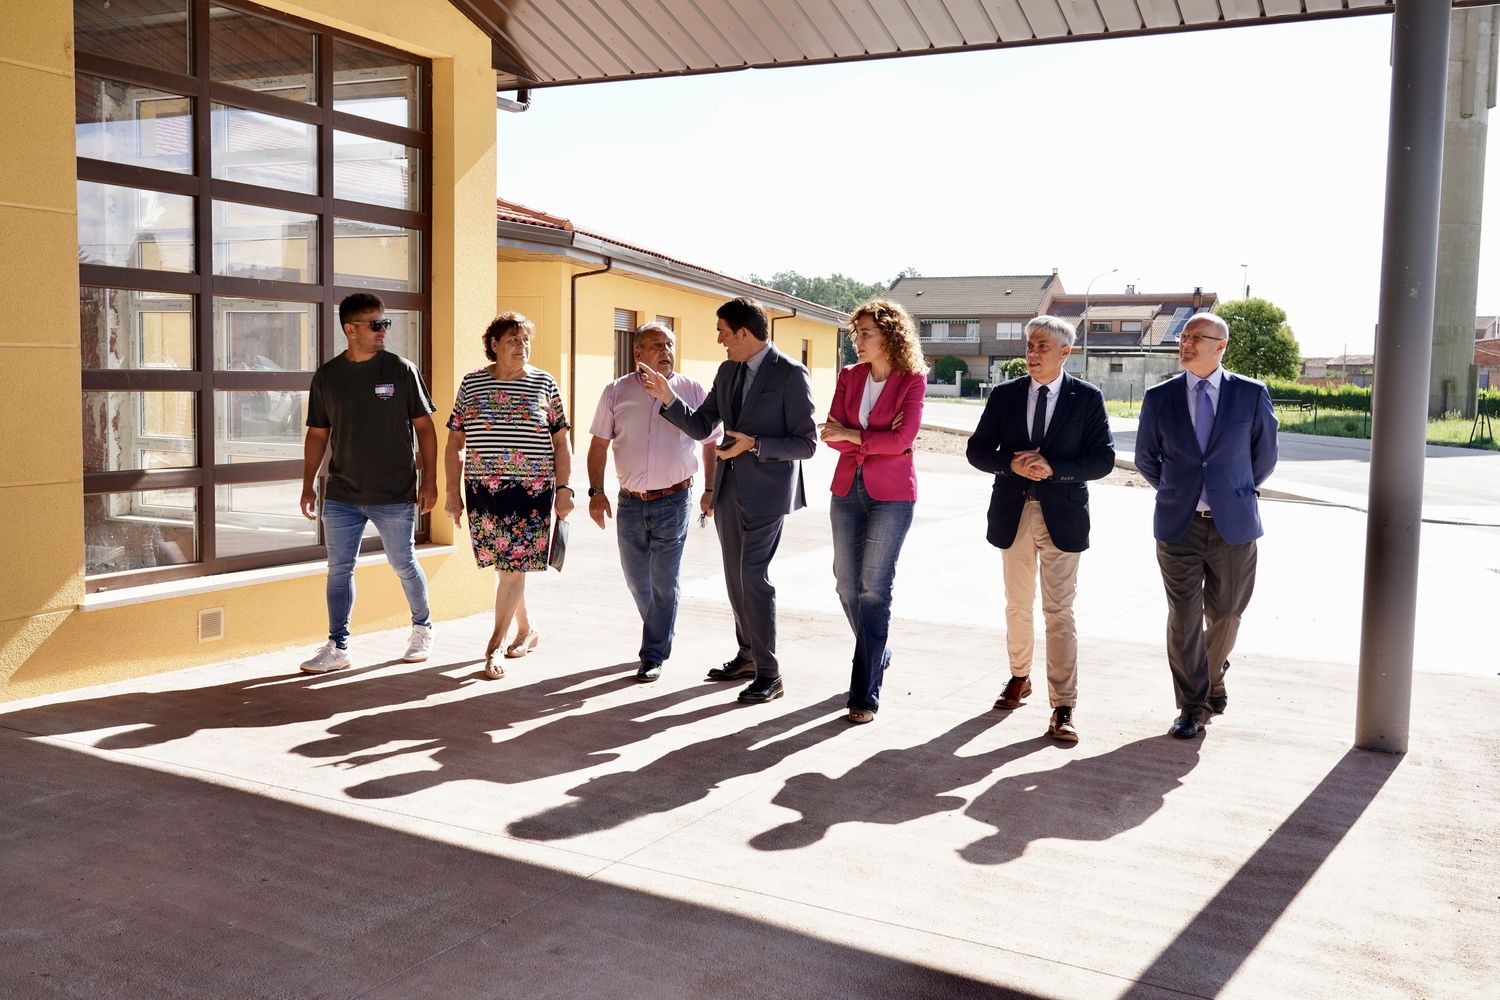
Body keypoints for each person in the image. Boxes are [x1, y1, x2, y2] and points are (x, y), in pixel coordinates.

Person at [639, 297, 817, 704]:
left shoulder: (791, 373)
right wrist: (668, 398)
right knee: (735, 578)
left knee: (754, 577)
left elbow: (806, 444)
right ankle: (749, 655)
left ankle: (770, 674)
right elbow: (704, 424)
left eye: (722, 332)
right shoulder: (727, 370)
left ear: (743, 332)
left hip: (769, 493)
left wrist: (755, 446)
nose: (718, 340)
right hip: (729, 490)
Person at [965, 315, 1114, 742]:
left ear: (1066, 352)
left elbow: (1102, 460)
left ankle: (1063, 705)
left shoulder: (1087, 398)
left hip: (1063, 516)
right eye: (1029, 346)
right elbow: (977, 450)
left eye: (1042, 346)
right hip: (1014, 512)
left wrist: (1056, 469)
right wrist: (1007, 462)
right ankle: (1018, 676)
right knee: (1016, 603)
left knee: (1059, 610)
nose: (1032, 353)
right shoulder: (1005, 395)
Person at [1135, 311, 1278, 739]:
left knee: (1228, 614)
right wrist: (1181, 490)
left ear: (1221, 346)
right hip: (1179, 526)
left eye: (1197, 337)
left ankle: (1213, 673)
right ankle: (1192, 705)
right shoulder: (1159, 398)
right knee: (1183, 616)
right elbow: (1146, 458)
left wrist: (1227, 491)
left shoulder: (1251, 395)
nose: (1186, 342)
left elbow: (1264, 458)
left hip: (1234, 525)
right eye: (1184, 336)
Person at [298, 292, 437, 673]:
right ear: (350, 329)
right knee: (339, 569)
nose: (383, 331)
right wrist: (308, 482)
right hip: (342, 492)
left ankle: (422, 628)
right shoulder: (328, 376)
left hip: (394, 492)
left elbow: (425, 428)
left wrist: (431, 482)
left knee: (403, 563)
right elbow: (317, 434)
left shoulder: (400, 370)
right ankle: (337, 646)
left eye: (385, 323)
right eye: (376, 325)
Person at [443, 312, 575, 679]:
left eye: (525, 340)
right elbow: (455, 441)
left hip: (530, 493)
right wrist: (452, 493)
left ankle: (494, 648)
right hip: (483, 491)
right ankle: (527, 629)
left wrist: (565, 489)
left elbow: (561, 441)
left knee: (512, 571)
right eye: (514, 340)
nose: (522, 346)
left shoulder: (544, 383)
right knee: (506, 570)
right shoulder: (472, 384)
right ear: (495, 345)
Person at [586, 322, 717, 683]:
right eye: (656, 345)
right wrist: (596, 493)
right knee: (635, 579)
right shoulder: (616, 392)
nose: (665, 351)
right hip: (629, 502)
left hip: (675, 499)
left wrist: (711, 489)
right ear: (638, 353)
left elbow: (711, 441)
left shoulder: (691, 390)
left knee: (664, 580)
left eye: (670, 344)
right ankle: (661, 629)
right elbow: (598, 444)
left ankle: (653, 652)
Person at [818, 300, 927, 725]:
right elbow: (831, 433)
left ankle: (864, 693)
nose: (858, 341)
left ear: (890, 337)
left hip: (893, 495)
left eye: (866, 334)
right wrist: (868, 437)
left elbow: (905, 439)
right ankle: (877, 651)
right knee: (847, 585)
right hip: (847, 488)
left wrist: (854, 433)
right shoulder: (849, 376)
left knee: (873, 588)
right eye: (856, 334)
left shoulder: (912, 380)